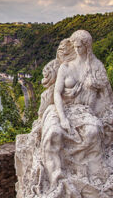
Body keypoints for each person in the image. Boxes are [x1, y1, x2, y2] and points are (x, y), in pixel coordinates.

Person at [16, 30, 113, 198]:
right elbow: (56, 94)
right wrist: (63, 118)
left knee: (93, 131)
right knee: (53, 133)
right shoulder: (66, 67)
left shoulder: (96, 67)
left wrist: (101, 116)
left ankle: (85, 174)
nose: (76, 50)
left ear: (87, 46)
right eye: (74, 46)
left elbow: (105, 96)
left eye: (79, 47)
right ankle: (56, 180)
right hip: (60, 108)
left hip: (84, 111)